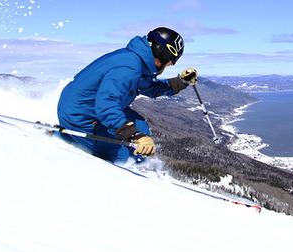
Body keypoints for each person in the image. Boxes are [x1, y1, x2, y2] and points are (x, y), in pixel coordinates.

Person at [57, 27, 197, 163]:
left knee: (141, 128)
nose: (171, 64)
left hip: (89, 106)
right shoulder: (129, 67)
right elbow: (107, 104)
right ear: (163, 53)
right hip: (80, 116)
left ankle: (133, 158)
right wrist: (134, 135)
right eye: (171, 60)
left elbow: (150, 88)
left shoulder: (138, 61)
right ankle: (62, 137)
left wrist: (181, 82)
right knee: (122, 156)